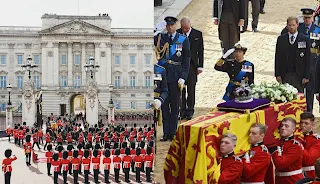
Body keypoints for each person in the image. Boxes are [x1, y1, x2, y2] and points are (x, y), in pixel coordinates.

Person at [154, 16, 191, 142]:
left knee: (175, 105)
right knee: (164, 105)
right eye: (168, 25)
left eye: (172, 25)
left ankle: (173, 132)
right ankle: (166, 132)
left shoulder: (183, 39)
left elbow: (186, 60)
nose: (170, 27)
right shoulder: (160, 38)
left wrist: (183, 77)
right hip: (163, 75)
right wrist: (155, 29)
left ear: (176, 25)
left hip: (176, 75)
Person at [177, 16, 204, 120]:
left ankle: (190, 110)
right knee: (181, 89)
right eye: (183, 28)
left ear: (190, 25)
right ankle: (182, 110)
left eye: (186, 28)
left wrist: (200, 66)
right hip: (180, 66)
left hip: (192, 66)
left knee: (191, 88)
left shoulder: (197, 34)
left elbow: (200, 51)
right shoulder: (177, 34)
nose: (184, 30)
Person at [275, 16, 311, 93]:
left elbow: (308, 59)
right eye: (290, 25)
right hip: (285, 74)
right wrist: (277, 74)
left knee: (299, 98)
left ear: (297, 25)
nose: (291, 27)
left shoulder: (304, 39)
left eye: (293, 25)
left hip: (299, 75)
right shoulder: (281, 39)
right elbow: (277, 57)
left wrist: (307, 76)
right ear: (287, 25)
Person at [271, 117, 304, 184]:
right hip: (279, 180)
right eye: (282, 126)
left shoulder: (295, 146)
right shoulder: (278, 143)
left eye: (286, 126)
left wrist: (274, 151)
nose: (283, 128)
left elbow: (281, 164)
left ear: (293, 129)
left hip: (293, 180)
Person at [299, 112, 320, 178]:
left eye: (306, 123)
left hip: (309, 175)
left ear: (312, 125)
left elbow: (309, 160)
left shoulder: (316, 140)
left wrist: (298, 144)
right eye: (301, 122)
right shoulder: (295, 137)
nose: (302, 125)